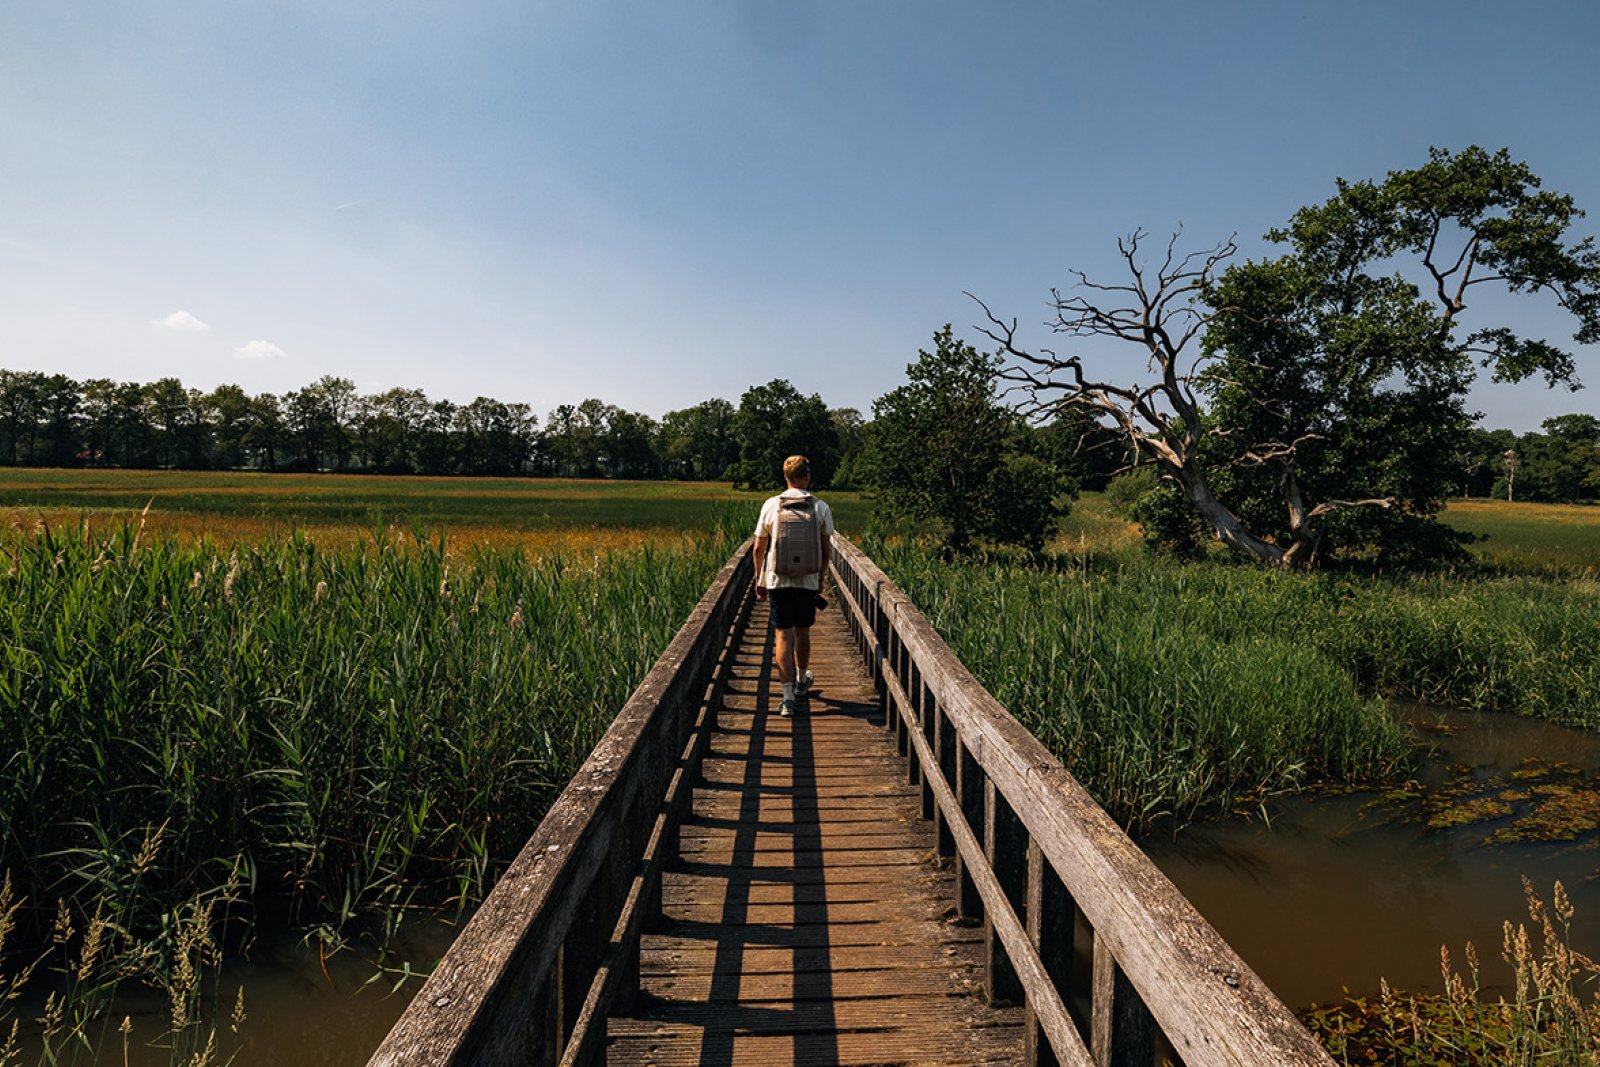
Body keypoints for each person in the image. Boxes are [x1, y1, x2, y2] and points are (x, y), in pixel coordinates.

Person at [753, 454, 836, 718]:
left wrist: (760, 578)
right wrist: (820, 578)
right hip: (807, 581)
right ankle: (802, 680)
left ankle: (787, 698)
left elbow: (758, 547)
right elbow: (826, 552)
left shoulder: (770, 505)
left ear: (786, 477)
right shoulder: (820, 507)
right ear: (807, 477)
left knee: (782, 636)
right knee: (803, 633)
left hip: (778, 580)